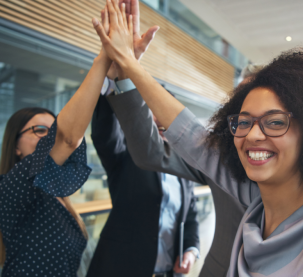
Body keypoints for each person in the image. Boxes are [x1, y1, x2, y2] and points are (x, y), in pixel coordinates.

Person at [92, 1, 303, 276]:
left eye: (275, 122)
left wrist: (131, 65)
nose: (254, 135)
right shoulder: (257, 204)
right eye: (243, 121)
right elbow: (189, 132)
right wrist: (127, 67)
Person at [87, 2, 199, 277]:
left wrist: (191, 250)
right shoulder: (127, 154)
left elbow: (191, 218)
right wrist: (116, 77)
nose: (158, 119)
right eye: (150, 110)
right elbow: (104, 134)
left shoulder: (185, 163)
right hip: (120, 268)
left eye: (163, 111)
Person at [0, 20, 112, 276]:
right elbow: (67, 139)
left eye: (53, 131)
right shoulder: (9, 188)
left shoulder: (58, 195)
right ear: (15, 145)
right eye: (40, 131)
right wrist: (105, 57)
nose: (49, 137)